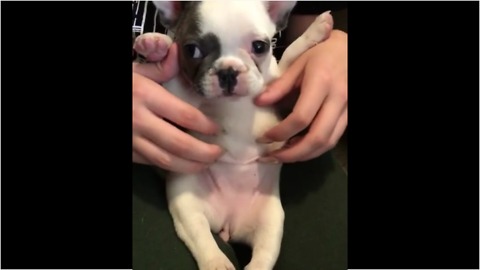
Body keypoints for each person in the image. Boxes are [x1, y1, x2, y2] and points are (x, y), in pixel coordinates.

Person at [132, 1, 348, 269]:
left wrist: (333, 45)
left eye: (257, 47)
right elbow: (172, 87)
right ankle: (208, 256)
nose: (228, 72)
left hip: (265, 179)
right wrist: (162, 59)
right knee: (180, 203)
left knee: (306, 238)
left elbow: (285, 72)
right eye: (195, 50)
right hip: (183, 166)